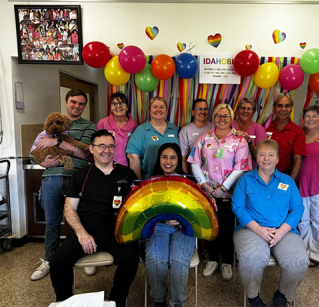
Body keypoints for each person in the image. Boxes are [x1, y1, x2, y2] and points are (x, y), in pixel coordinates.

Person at [49, 130, 140, 307]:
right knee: (58, 262)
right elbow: (69, 208)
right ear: (91, 149)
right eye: (101, 146)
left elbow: (139, 204)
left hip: (117, 232)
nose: (106, 150)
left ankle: (116, 301)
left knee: (131, 259)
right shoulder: (80, 176)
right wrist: (82, 234)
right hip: (86, 230)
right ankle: (66, 302)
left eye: (110, 146)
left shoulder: (127, 175)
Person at [232, 139, 309, 307]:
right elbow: (237, 207)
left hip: (284, 231)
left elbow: (297, 209)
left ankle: (282, 295)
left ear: (278, 159)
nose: (266, 158)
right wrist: (258, 229)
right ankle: (253, 298)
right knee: (252, 258)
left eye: (271, 154)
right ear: (256, 157)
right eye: (262, 154)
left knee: (300, 262)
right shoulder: (245, 180)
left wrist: (282, 231)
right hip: (250, 230)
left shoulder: (287, 181)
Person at [30, 89, 96, 281]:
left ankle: (87, 256)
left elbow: (84, 154)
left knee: (83, 219)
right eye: (73, 102)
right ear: (66, 102)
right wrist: (43, 163)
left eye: (81, 103)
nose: (77, 106)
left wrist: (57, 141)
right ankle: (49, 260)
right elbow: (36, 151)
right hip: (51, 177)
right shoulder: (50, 124)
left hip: (77, 177)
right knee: (52, 223)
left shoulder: (89, 126)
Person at [188, 103, 251, 281]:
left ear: (232, 118)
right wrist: (205, 186)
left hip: (230, 194)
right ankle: (213, 259)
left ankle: (228, 263)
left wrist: (223, 188)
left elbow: (241, 167)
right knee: (211, 227)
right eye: (218, 115)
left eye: (226, 116)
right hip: (208, 193)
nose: (222, 119)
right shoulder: (204, 138)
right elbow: (194, 162)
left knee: (228, 229)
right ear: (214, 118)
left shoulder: (239, 141)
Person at [145, 143, 197, 307]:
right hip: (157, 226)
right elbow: (143, 212)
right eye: (164, 157)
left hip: (183, 227)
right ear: (159, 159)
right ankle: (159, 300)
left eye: (173, 157)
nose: (168, 161)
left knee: (178, 260)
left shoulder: (189, 182)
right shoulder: (149, 182)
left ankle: (177, 303)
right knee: (156, 258)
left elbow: (197, 212)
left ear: (178, 160)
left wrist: (183, 218)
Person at [296, 106, 319, 267]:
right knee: (302, 220)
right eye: (307, 116)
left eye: (315, 116)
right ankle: (304, 253)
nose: (311, 119)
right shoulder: (298, 135)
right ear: (303, 119)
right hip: (300, 183)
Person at [126, 96, 179, 180]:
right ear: (150, 110)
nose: (158, 110)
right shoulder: (141, 130)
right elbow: (133, 157)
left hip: (173, 180)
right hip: (149, 181)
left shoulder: (173, 129)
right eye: (155, 107)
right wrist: (140, 184)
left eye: (162, 107)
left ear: (166, 110)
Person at [265, 93, 306, 180]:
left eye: (287, 106)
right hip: (264, 177)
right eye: (280, 106)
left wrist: (289, 182)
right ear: (274, 108)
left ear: (291, 109)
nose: (283, 109)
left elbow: (298, 160)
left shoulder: (298, 132)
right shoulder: (265, 127)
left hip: (285, 177)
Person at [97, 92, 138, 166]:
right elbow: (97, 146)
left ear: (127, 107)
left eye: (121, 103)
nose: (118, 106)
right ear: (110, 107)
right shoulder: (103, 123)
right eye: (114, 104)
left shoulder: (135, 125)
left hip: (127, 167)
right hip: (106, 165)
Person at [179, 98, 214, 174]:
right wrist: (187, 177)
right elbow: (183, 157)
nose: (202, 112)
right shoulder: (185, 131)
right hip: (194, 174)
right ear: (192, 111)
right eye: (199, 109)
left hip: (214, 173)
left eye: (205, 109)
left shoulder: (214, 127)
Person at [232, 97, 267, 168]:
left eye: (249, 109)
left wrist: (249, 141)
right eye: (243, 108)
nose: (246, 111)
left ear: (253, 112)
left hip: (251, 172)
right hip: (229, 169)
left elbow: (261, 156)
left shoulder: (259, 128)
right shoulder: (229, 126)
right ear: (238, 110)